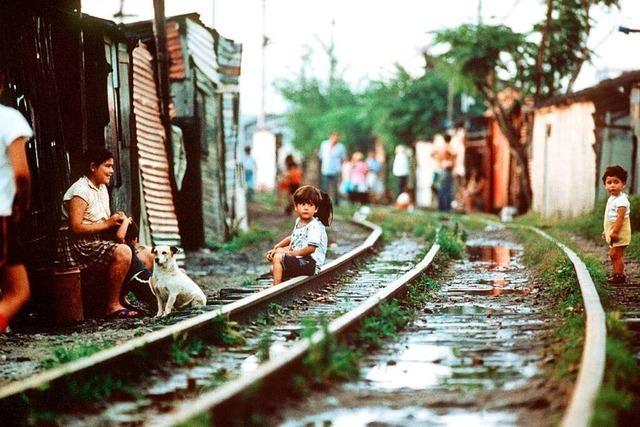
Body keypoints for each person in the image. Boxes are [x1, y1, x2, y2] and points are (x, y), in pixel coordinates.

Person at [57, 148, 138, 319]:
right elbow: (76, 228)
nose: (111, 171)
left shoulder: (101, 189)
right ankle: (112, 305)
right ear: (93, 167)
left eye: (112, 166)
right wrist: (108, 223)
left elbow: (102, 221)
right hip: (77, 245)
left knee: (134, 249)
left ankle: (120, 299)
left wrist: (117, 220)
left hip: (93, 240)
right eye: (107, 166)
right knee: (123, 252)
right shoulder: (80, 190)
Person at [0, 100, 33, 334]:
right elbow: (21, 174)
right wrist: (24, 204)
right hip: (1, 214)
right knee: (18, 291)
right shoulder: (8, 118)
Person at [266, 185, 332, 285]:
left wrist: (289, 253)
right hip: (301, 259)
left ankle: (275, 287)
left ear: (316, 209)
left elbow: (310, 249)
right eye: (303, 204)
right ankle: (284, 282)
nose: (306, 208)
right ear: (296, 207)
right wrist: (278, 247)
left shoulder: (314, 226)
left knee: (278, 257)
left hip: (310, 262)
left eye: (310, 205)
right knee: (273, 268)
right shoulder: (299, 222)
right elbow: (294, 238)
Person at [115, 218, 156, 312]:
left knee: (155, 301)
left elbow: (119, 236)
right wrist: (126, 221)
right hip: (142, 279)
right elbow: (120, 236)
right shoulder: (128, 247)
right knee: (155, 301)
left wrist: (125, 222)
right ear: (135, 239)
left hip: (141, 280)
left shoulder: (125, 248)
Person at [601, 165, 632, 284]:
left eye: (616, 182)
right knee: (613, 254)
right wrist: (606, 231)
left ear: (623, 183)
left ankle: (619, 275)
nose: (612, 185)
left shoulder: (622, 200)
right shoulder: (612, 198)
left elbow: (620, 218)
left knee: (615, 254)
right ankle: (617, 274)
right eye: (609, 182)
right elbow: (610, 218)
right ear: (605, 185)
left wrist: (614, 232)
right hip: (614, 230)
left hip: (620, 231)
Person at [319, 131, 346, 206]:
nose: (335, 138)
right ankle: (324, 203)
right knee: (324, 187)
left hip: (335, 170)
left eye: (337, 137)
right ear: (331, 136)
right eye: (334, 136)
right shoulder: (324, 144)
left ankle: (336, 203)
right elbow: (320, 156)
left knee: (335, 188)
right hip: (325, 169)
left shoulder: (341, 147)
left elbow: (343, 158)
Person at [432, 134, 456, 211]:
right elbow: (454, 154)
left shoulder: (441, 148)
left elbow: (433, 154)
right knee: (446, 189)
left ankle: (442, 207)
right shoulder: (447, 147)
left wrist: (440, 161)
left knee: (443, 188)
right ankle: (446, 207)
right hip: (447, 169)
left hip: (443, 169)